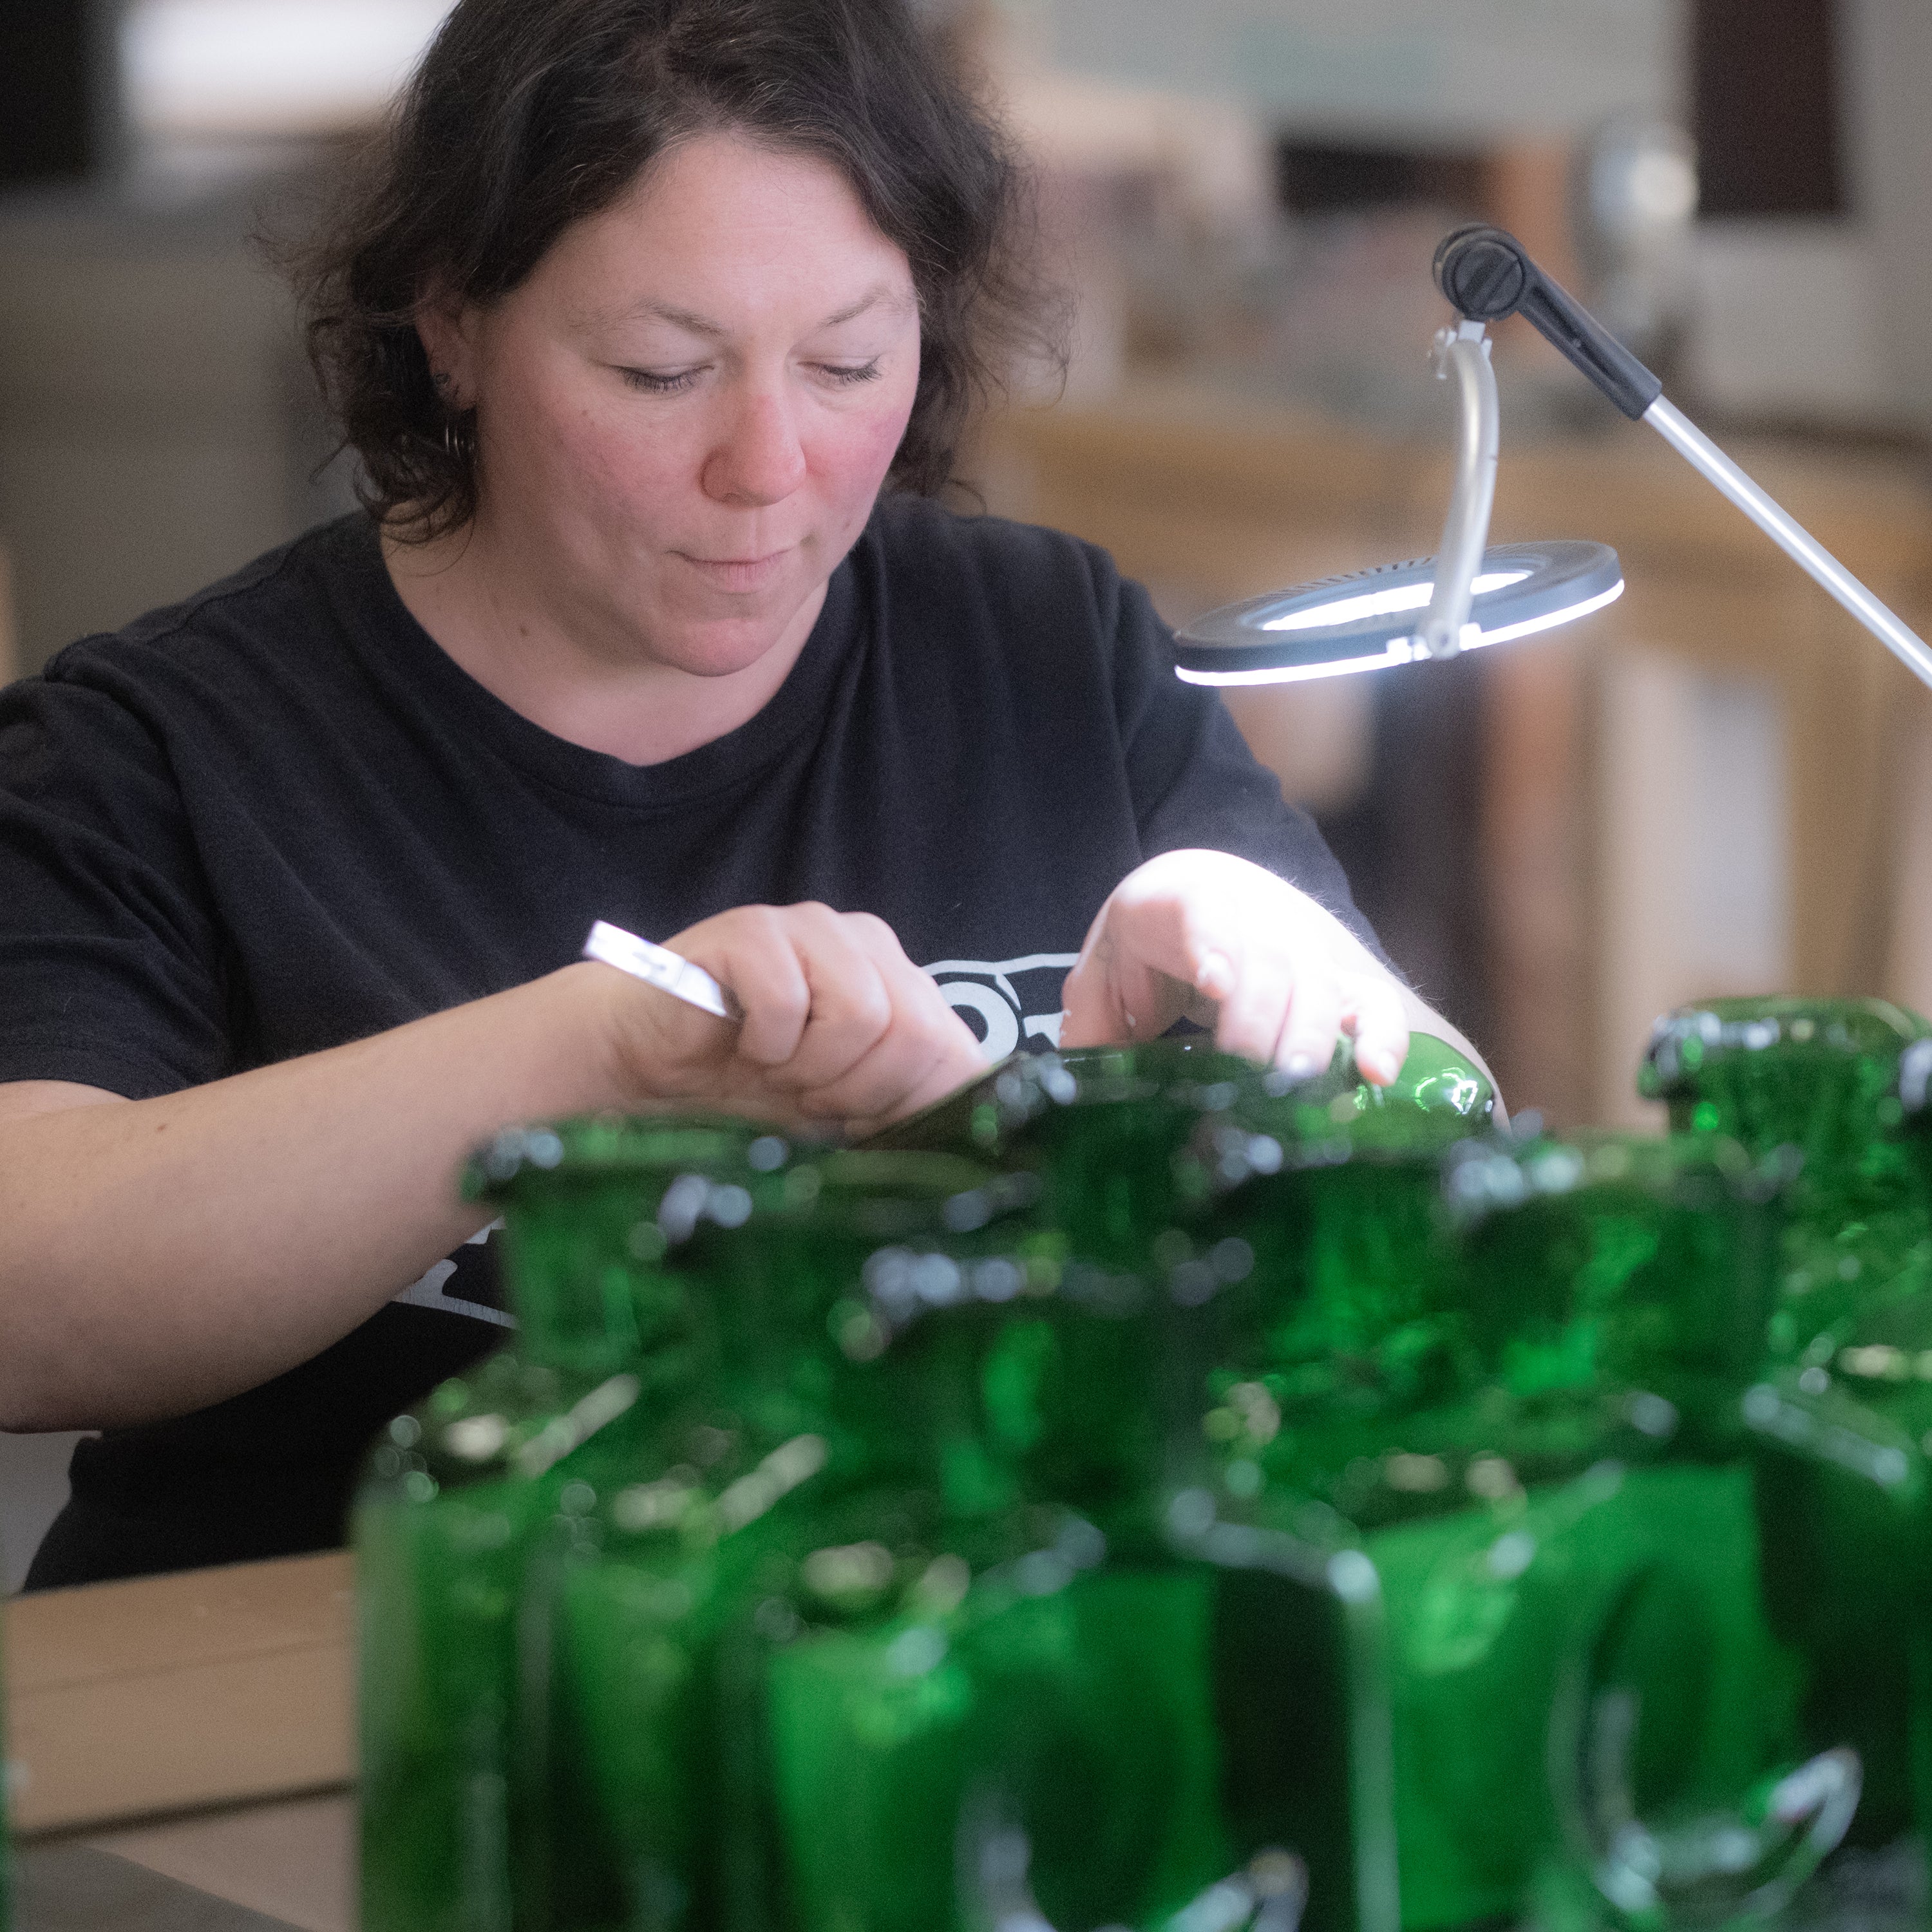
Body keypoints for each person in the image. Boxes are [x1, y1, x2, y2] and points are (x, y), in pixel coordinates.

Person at [0, 0, 1487, 1589]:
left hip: (933, 1655)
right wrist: (601, 1049)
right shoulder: (163, 747)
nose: (768, 465)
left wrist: (1288, 969)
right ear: (450, 325)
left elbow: (1452, 1182)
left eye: (848, 361)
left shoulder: (1054, 648)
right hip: (353, 1669)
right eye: (661, 372)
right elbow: (27, 1300)